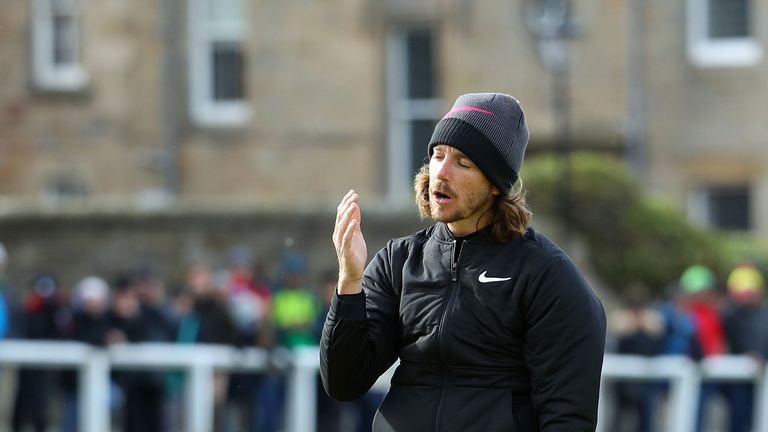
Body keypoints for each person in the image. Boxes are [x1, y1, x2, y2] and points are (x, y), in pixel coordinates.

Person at [321, 93, 607, 431]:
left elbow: (568, 419)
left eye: (463, 163)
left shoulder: (546, 274)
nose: (441, 172)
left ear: (497, 185)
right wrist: (350, 283)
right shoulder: (398, 261)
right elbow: (343, 383)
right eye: (438, 155)